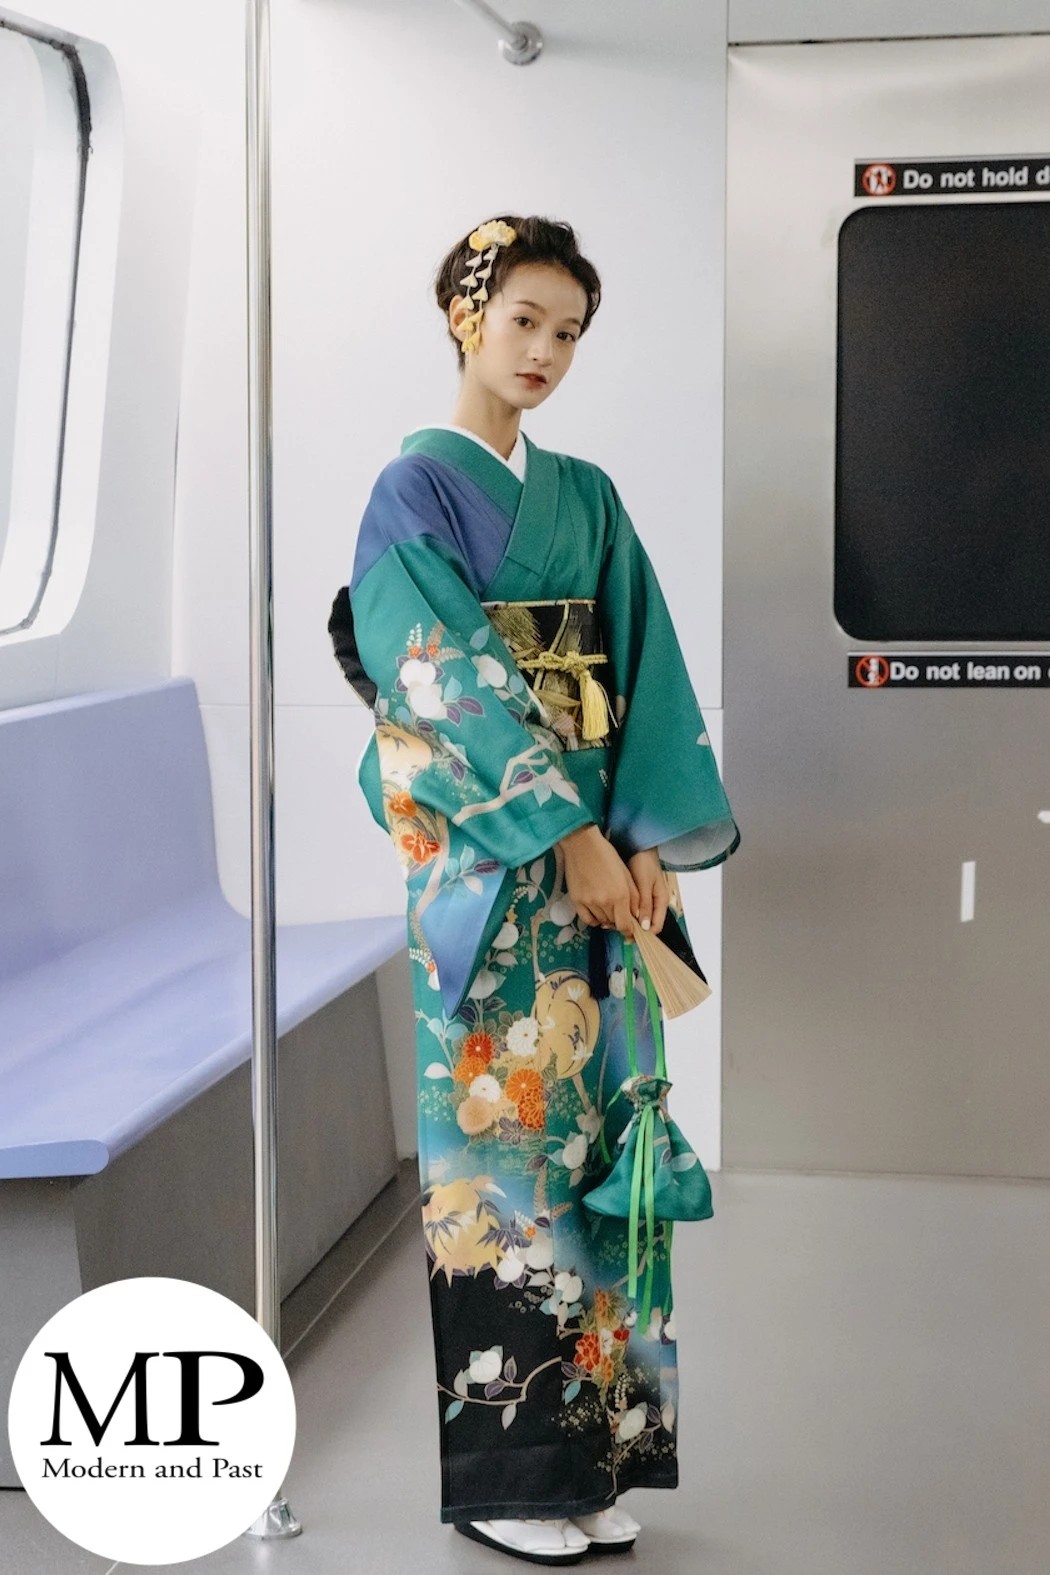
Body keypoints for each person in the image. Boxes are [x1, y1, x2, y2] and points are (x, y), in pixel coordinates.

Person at [328, 215, 740, 1566]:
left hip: (602, 870)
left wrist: (639, 838)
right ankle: (510, 1473)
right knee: (503, 1166)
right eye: (523, 321)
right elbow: (432, 677)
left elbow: (644, 668)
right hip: (495, 874)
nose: (545, 351)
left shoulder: (589, 495)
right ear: (466, 317)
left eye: (568, 332)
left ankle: (592, 1458)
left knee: (605, 1153)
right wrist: (560, 831)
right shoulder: (412, 494)